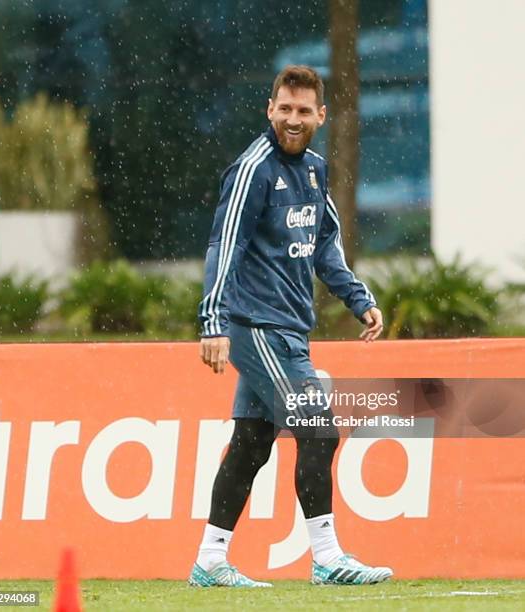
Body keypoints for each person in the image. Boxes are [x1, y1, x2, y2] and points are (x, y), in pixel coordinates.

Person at [189, 65, 392, 588]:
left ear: (321, 115)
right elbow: (223, 246)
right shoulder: (253, 168)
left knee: (253, 443)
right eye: (285, 108)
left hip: (288, 329)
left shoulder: (315, 170)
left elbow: (325, 243)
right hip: (254, 326)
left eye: (304, 111)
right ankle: (327, 558)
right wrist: (213, 320)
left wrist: (357, 297)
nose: (293, 119)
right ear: (270, 109)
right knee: (319, 429)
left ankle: (210, 561)